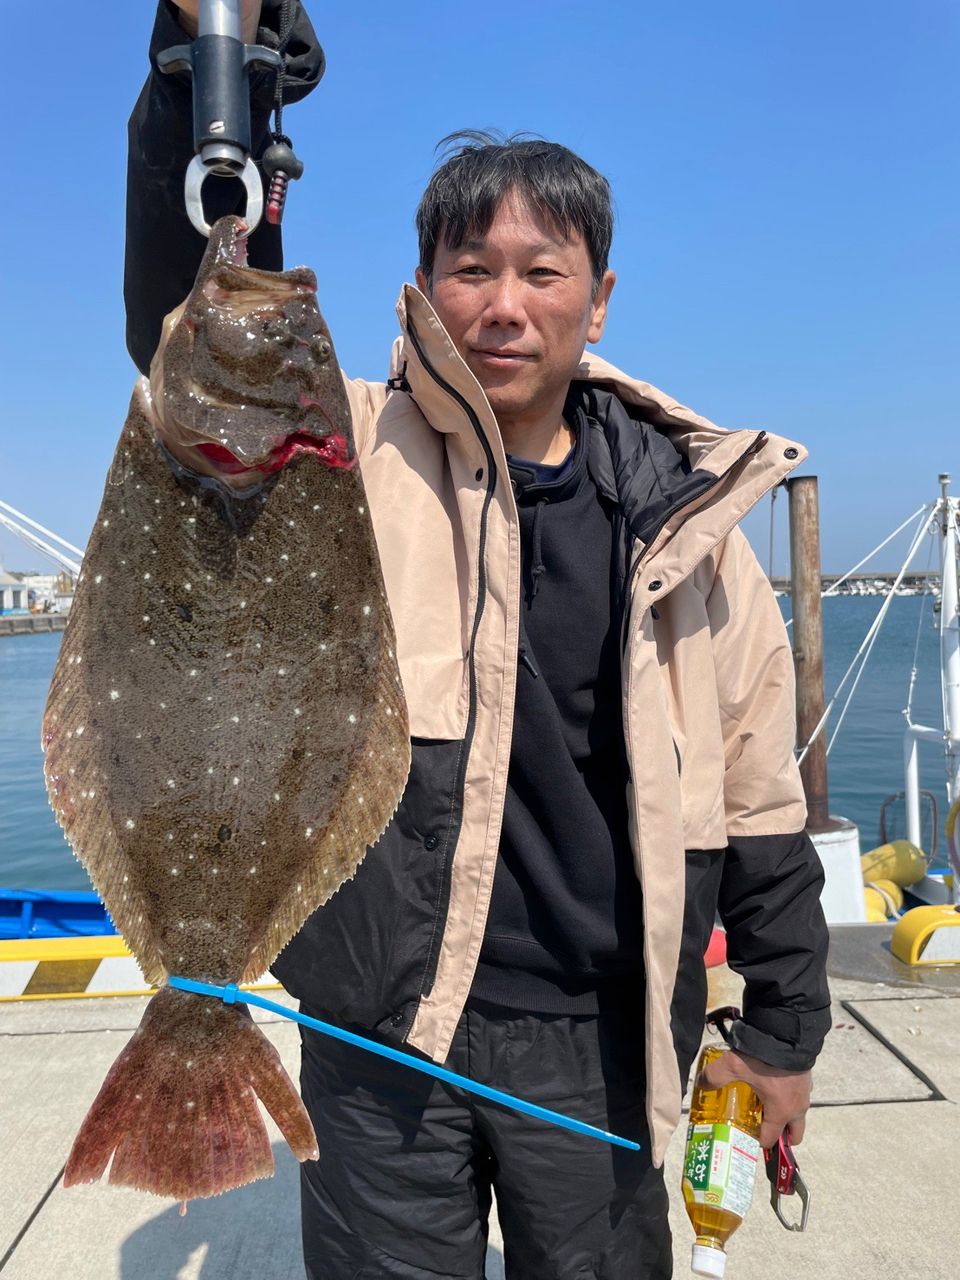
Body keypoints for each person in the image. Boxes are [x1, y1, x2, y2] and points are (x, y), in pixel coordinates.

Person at [129, 4, 832, 1276]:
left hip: (603, 1045)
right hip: (381, 1032)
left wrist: (782, 1030)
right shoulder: (329, 449)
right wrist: (199, 75)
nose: (504, 305)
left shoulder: (696, 534)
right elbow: (183, 317)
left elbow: (759, 801)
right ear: (423, 290)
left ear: (599, 300)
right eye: (470, 269)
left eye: (542, 270)